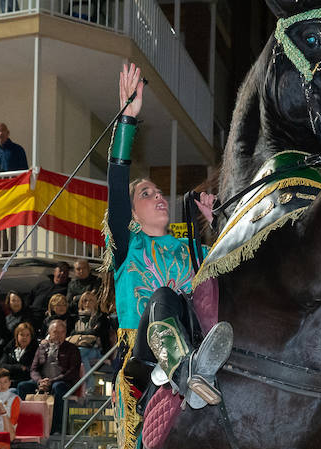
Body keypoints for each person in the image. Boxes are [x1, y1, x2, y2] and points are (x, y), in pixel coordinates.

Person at [107, 62, 223, 420]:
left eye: (159, 192)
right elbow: (116, 180)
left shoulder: (192, 250)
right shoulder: (129, 246)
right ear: (132, 213)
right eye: (146, 193)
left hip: (197, 345)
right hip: (142, 359)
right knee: (164, 296)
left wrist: (217, 226)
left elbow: (228, 269)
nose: (159, 197)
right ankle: (184, 373)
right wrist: (126, 121)